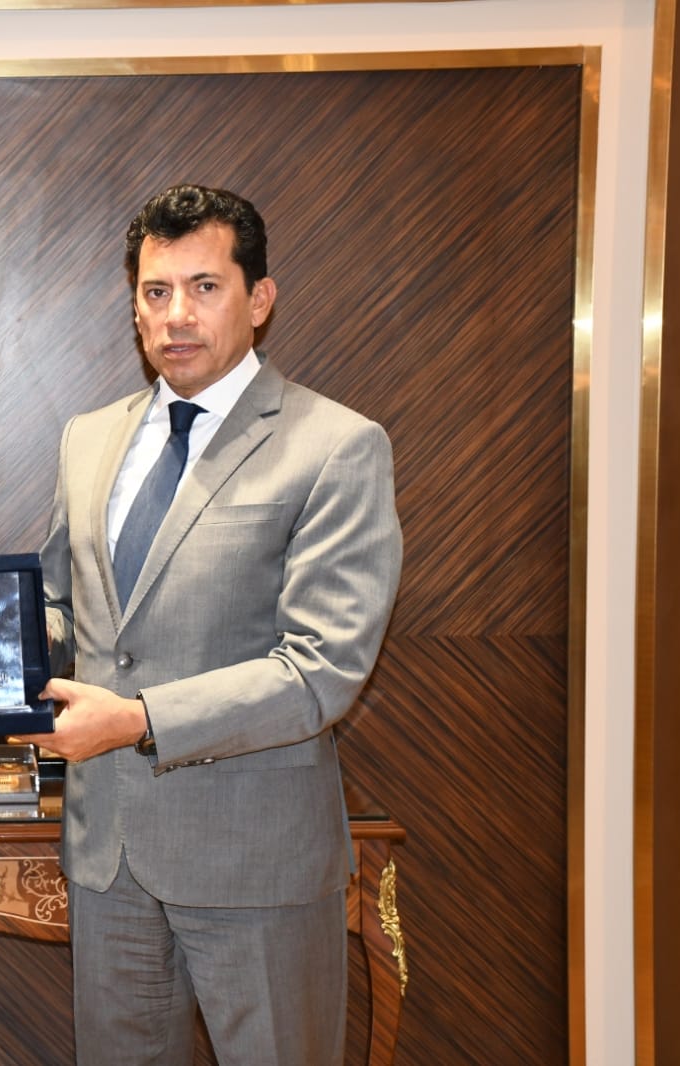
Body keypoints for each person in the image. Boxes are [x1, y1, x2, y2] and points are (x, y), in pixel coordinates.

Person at [22, 184, 403, 1065]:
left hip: (255, 859)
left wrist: (138, 719)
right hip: (109, 856)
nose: (176, 316)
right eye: (156, 291)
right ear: (133, 307)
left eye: (204, 287)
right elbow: (60, 606)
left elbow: (320, 669)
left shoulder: (335, 444)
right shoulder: (88, 439)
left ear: (258, 299)